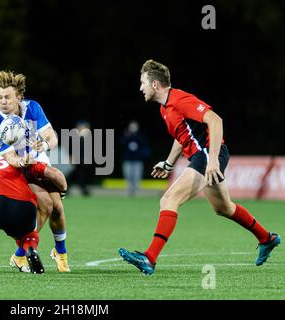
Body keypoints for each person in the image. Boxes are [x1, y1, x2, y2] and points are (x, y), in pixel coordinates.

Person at [118, 59, 281, 275]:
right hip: (202, 156)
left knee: (169, 199)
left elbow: (215, 120)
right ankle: (266, 238)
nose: (141, 88)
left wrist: (212, 160)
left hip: (207, 155)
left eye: (143, 82)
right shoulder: (165, 109)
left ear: (155, 84)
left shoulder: (179, 99)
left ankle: (150, 257)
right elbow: (181, 136)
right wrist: (168, 163)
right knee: (224, 208)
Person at [0, 70, 70, 272]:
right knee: (47, 204)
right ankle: (22, 253)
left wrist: (45, 146)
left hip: (37, 159)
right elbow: (11, 159)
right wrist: (23, 159)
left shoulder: (32, 108)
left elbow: (52, 137)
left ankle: (60, 253)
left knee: (57, 206)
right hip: (12, 168)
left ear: (19, 97)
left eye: (7, 97)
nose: (3, 101)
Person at [120, 120, 151, 196]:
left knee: (137, 176)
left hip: (138, 160)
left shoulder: (140, 137)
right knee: (128, 176)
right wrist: (127, 135)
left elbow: (145, 147)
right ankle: (129, 191)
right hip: (128, 160)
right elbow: (121, 144)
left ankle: (137, 192)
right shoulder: (126, 136)